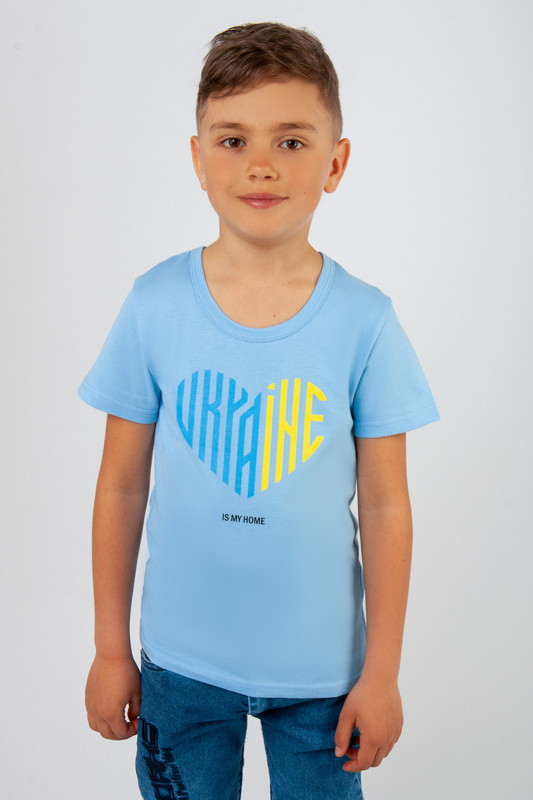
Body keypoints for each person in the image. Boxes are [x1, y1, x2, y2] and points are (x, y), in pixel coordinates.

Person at [77, 21, 440, 800]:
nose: (261, 165)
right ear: (197, 158)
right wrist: (110, 650)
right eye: (233, 140)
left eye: (292, 141)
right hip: (180, 669)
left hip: (324, 680)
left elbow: (385, 504)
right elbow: (121, 486)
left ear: (335, 163)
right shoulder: (153, 305)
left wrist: (382, 674)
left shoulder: (366, 322)